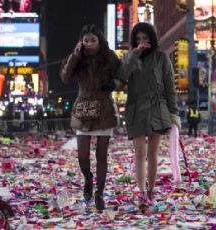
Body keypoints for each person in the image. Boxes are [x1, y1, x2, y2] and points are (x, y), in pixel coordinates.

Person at [117, 22, 180, 213]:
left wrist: (174, 113)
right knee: (139, 154)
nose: (142, 42)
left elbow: (170, 86)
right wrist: (134, 53)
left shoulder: (161, 57)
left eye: (145, 38)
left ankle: (151, 192)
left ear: (152, 38)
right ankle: (141, 193)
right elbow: (121, 77)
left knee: (153, 154)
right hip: (136, 109)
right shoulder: (131, 58)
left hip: (158, 109)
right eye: (138, 39)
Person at [60, 24, 121, 211]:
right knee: (82, 154)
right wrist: (75, 56)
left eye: (92, 40)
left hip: (104, 108)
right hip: (84, 108)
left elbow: (123, 79)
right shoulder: (78, 58)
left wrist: (113, 84)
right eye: (86, 40)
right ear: (81, 41)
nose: (89, 44)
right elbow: (65, 77)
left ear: (99, 40)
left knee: (102, 155)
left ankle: (99, 194)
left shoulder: (110, 56)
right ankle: (88, 179)